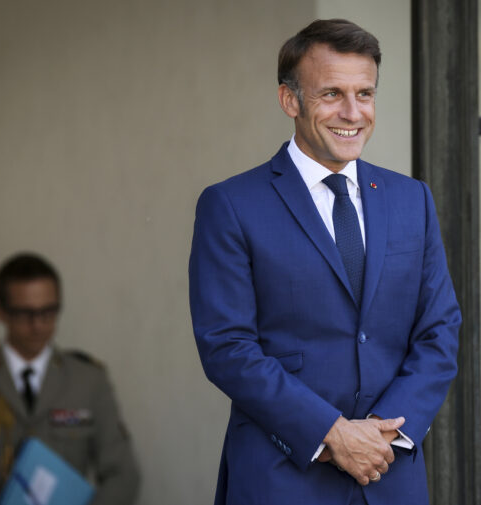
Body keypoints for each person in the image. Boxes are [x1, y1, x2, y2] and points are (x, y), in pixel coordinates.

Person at [189, 19, 461, 505]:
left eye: (365, 94)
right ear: (290, 101)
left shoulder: (412, 199)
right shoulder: (231, 205)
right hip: (281, 479)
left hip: (389, 474)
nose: (353, 113)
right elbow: (227, 347)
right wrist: (331, 432)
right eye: (332, 94)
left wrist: (379, 433)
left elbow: (439, 330)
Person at [0, 253, 139, 505]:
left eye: (48, 312)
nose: (38, 325)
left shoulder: (88, 380)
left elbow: (122, 474)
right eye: (24, 313)